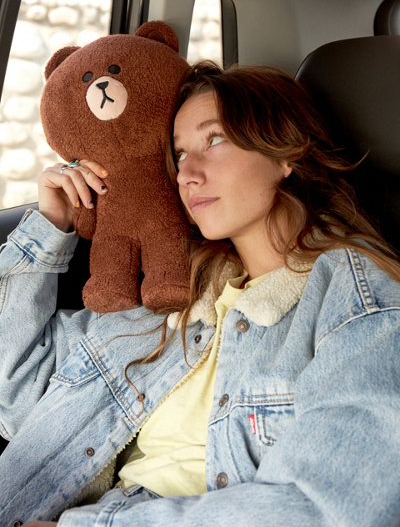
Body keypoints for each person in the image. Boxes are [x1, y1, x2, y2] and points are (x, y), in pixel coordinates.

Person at [1, 62, 400, 527]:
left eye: (214, 140)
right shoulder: (174, 292)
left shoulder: (359, 303)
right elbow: (14, 396)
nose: (187, 173)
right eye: (179, 153)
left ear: (285, 153)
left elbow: (330, 506)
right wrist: (51, 226)